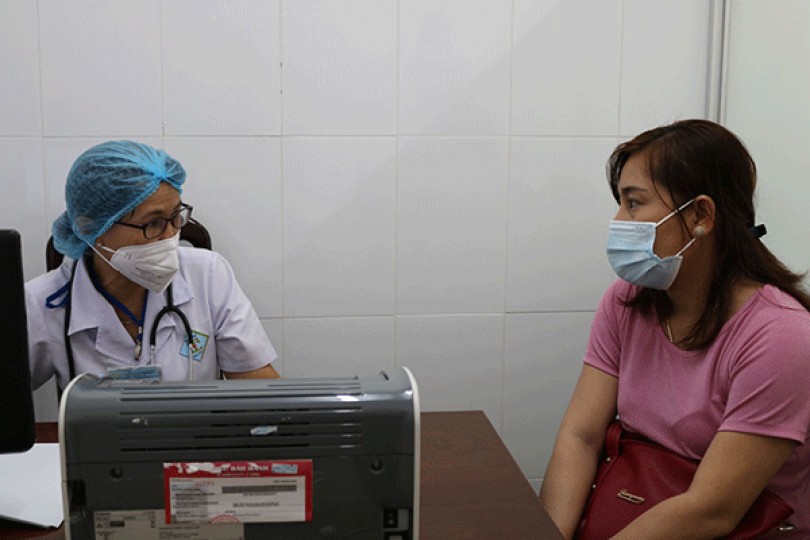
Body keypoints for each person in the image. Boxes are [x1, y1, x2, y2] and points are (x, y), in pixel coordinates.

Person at [539, 119, 810, 538]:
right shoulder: (627, 300)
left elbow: (712, 511)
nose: (619, 220)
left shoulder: (781, 336)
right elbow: (581, 437)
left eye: (634, 203)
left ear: (701, 215)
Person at [26, 140, 280, 392]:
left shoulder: (208, 275)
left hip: (195, 421)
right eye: (153, 224)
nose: (170, 236)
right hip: (98, 423)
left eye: (176, 217)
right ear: (92, 228)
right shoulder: (42, 303)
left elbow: (260, 388)